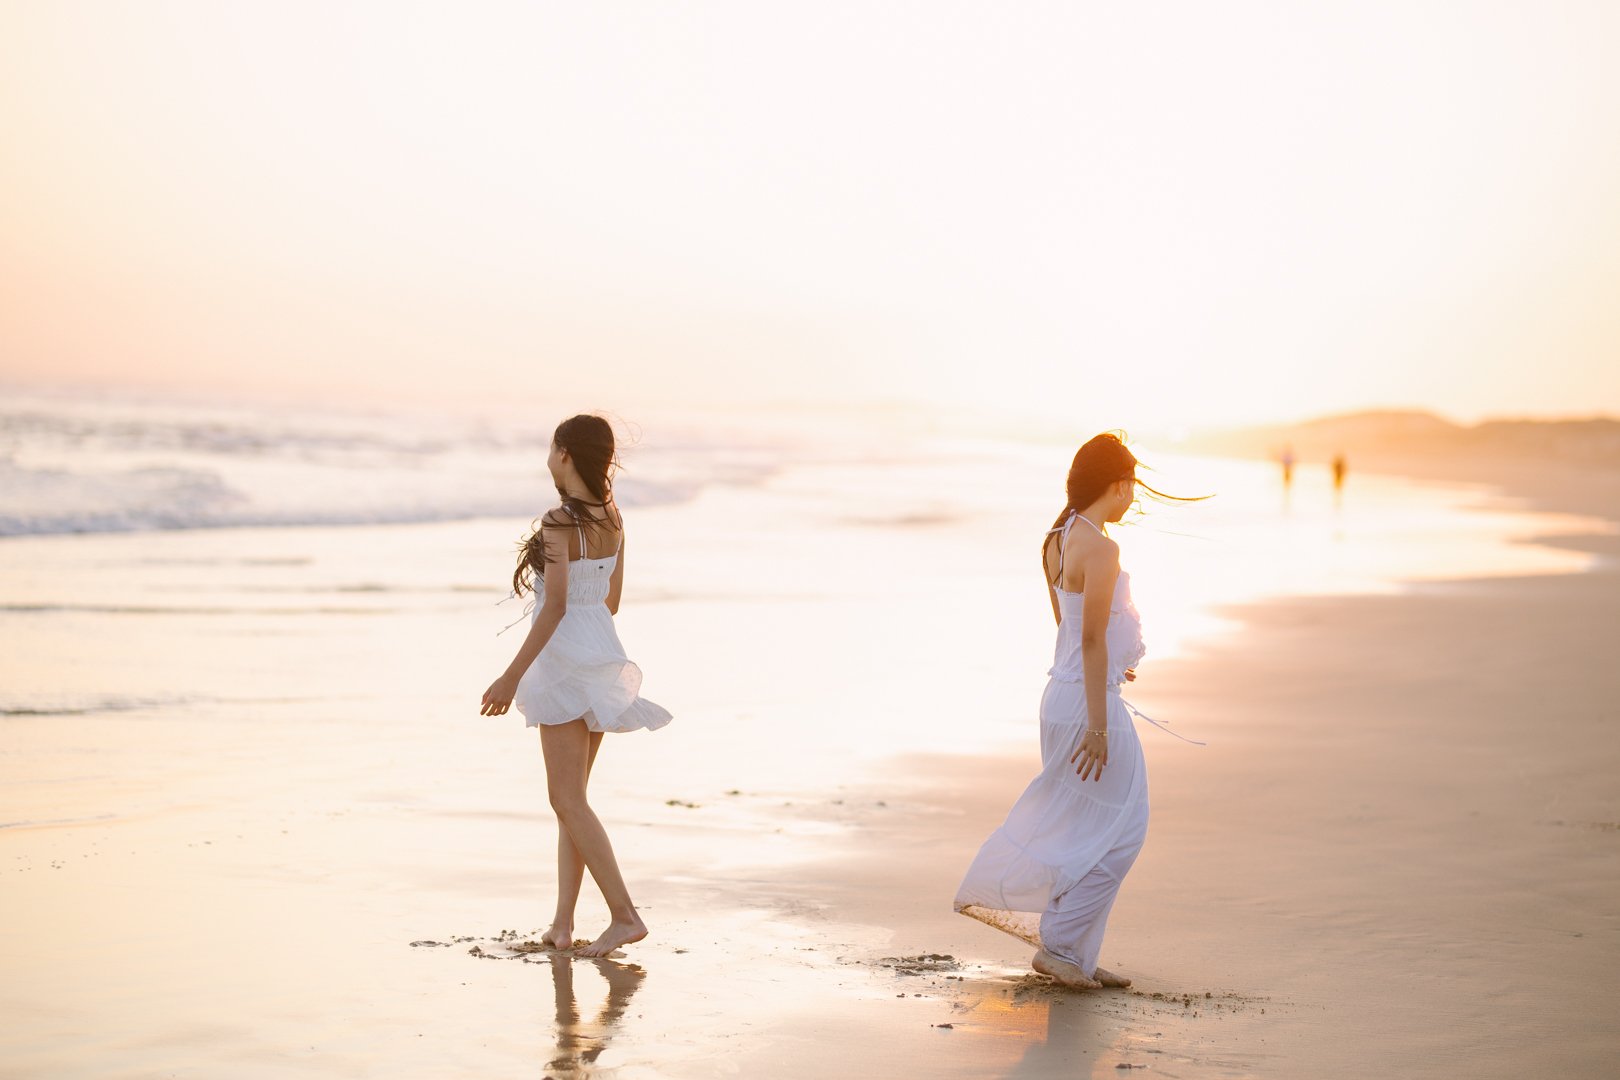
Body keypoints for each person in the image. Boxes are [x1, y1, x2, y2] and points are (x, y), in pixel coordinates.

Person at [953, 432, 1198, 990]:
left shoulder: (1057, 538)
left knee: (1081, 825)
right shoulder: (1103, 549)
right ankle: (1062, 945)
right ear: (1118, 485)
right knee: (1125, 827)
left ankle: (1076, 954)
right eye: (1132, 485)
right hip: (1089, 707)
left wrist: (1110, 666)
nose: (1133, 496)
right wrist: (1098, 724)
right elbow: (1087, 638)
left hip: (1060, 697)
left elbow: (1071, 629)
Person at [480, 414, 671, 958]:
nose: (547, 459)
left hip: (563, 661)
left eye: (550, 448)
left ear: (565, 453)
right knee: (573, 803)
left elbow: (556, 605)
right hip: (601, 652)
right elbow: (611, 600)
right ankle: (562, 924)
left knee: (565, 798)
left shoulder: (560, 522)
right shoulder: (612, 517)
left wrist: (510, 676)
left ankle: (625, 916)